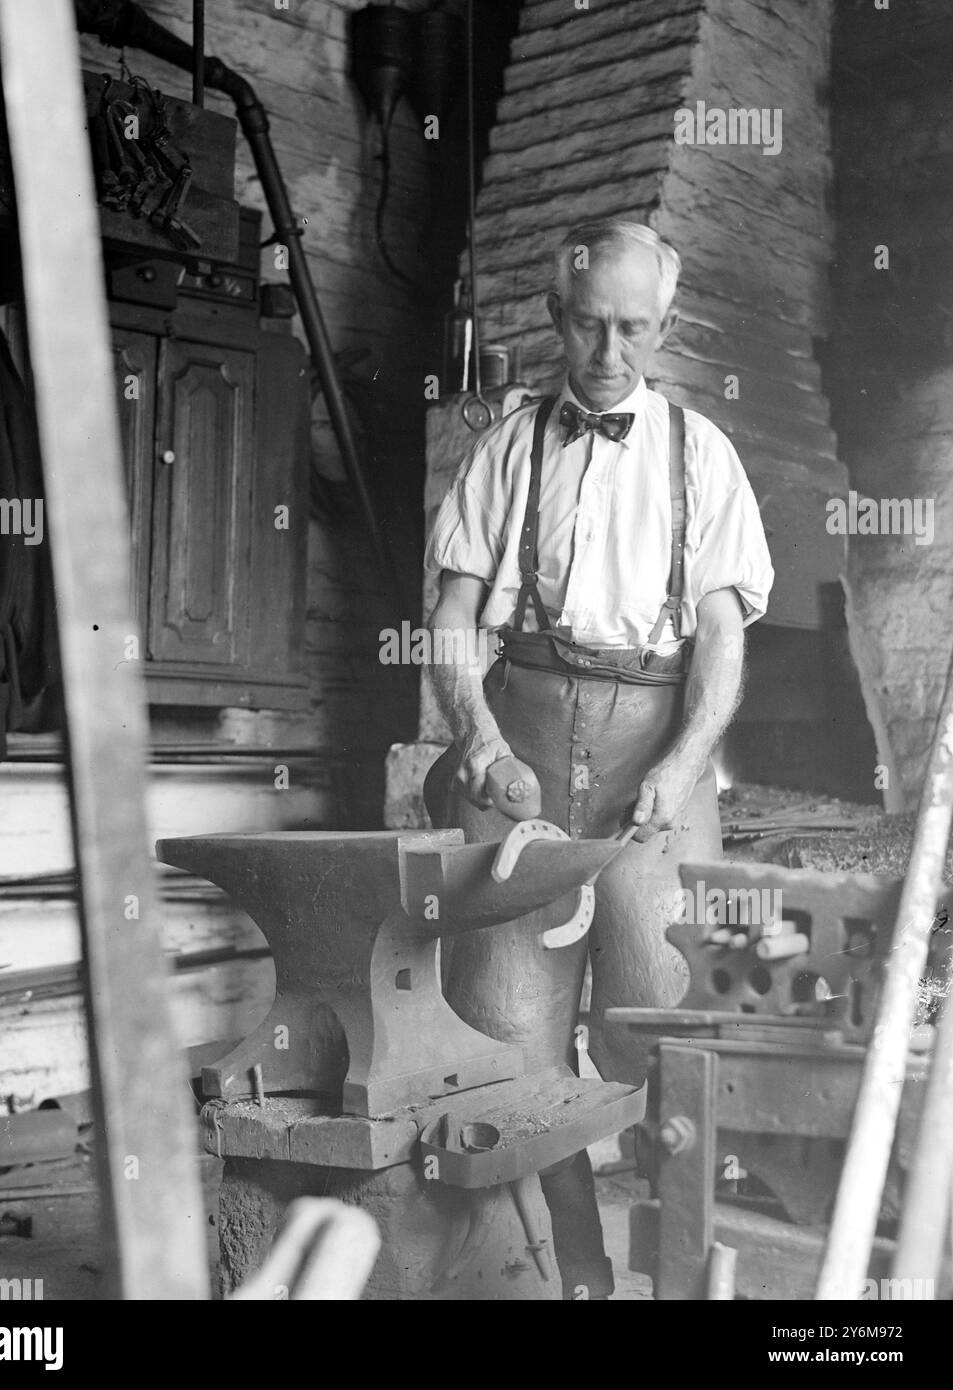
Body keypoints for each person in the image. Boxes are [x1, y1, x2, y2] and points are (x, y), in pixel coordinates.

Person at [423, 220, 774, 1298]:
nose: (608, 351)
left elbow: (721, 637)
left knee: (662, 1027)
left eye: (632, 329)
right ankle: (578, 1273)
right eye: (587, 324)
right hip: (520, 743)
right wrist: (477, 740)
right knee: (508, 1037)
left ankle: (673, 1278)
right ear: (555, 318)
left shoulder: (701, 454)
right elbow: (450, 616)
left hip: (653, 757)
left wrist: (683, 762)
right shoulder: (507, 446)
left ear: (664, 328)